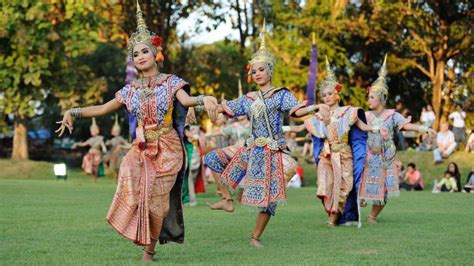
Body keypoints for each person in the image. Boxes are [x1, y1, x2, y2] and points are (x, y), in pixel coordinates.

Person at [56, 2, 218, 261]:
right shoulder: (130, 90)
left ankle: (149, 251)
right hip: (141, 147)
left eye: (145, 51)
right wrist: (72, 112)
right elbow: (101, 109)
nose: (140, 56)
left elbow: (187, 101)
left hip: (168, 147)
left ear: (156, 53)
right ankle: (133, 220)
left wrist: (205, 98)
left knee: (159, 205)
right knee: (129, 174)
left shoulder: (172, 82)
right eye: (135, 54)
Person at [206, 20, 318, 247]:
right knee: (212, 158)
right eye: (253, 70)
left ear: (270, 70)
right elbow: (226, 109)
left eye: (261, 69)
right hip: (250, 149)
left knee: (269, 200)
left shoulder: (280, 94)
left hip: (272, 151)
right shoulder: (248, 99)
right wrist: (205, 104)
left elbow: (296, 111)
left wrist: (313, 108)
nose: (257, 73)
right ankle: (227, 200)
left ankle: (255, 238)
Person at [358, 55, 434, 225]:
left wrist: (424, 128)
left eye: (372, 97)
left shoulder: (392, 115)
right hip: (368, 156)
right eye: (368, 96)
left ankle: (372, 216)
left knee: (385, 189)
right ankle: (359, 202)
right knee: (362, 185)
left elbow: (406, 126)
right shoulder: (364, 116)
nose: (368, 100)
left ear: (382, 98)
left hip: (387, 157)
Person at [305, 57, 371, 227]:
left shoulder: (349, 112)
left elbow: (363, 127)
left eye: (329, 93)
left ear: (337, 93)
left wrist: (377, 129)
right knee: (325, 184)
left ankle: (334, 219)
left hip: (344, 154)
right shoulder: (318, 116)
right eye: (324, 95)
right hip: (326, 155)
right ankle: (332, 216)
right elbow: (299, 119)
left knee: (344, 186)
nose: (327, 97)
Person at [105, 114, 129, 183]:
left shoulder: (120, 138)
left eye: (117, 131)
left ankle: (118, 179)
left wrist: (126, 145)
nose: (116, 132)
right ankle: (115, 178)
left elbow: (126, 144)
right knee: (113, 167)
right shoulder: (112, 139)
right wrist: (107, 143)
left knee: (119, 167)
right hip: (113, 154)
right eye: (115, 131)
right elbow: (109, 145)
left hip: (119, 155)